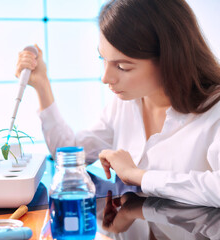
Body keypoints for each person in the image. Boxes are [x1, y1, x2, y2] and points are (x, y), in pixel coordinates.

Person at [15, 0, 220, 207]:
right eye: (102, 58)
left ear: (171, 58)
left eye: (122, 66)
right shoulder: (126, 104)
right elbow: (70, 154)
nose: (105, 77)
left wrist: (138, 175)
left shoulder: (215, 110)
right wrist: (42, 85)